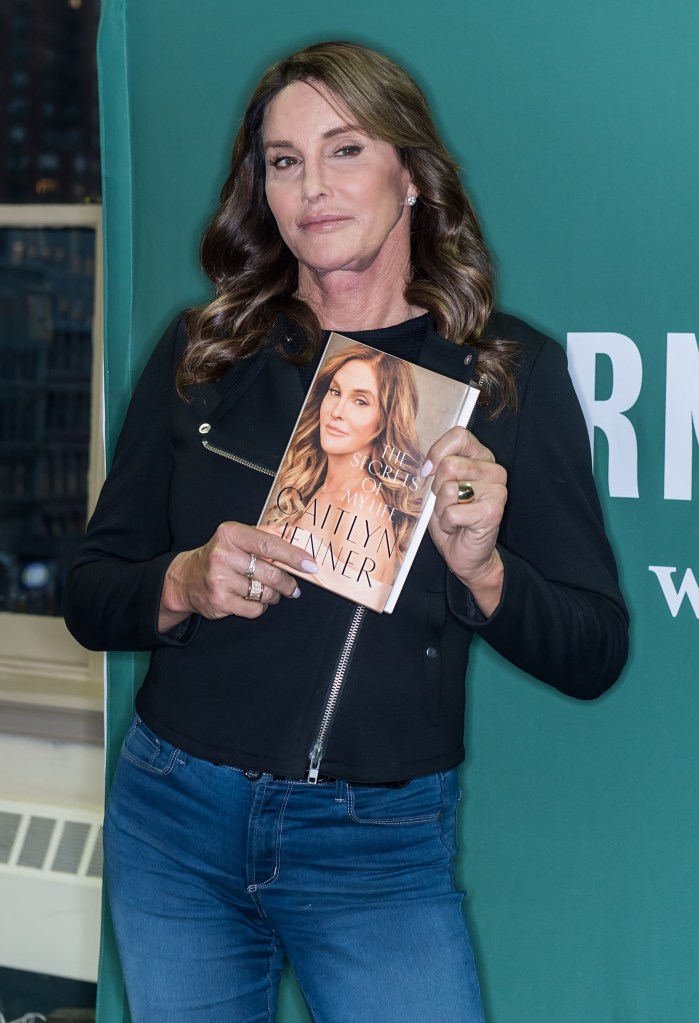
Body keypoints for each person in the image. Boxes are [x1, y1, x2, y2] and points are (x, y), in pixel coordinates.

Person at [63, 40, 629, 1023]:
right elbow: (89, 593)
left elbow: (592, 650)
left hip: (376, 847)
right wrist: (183, 584)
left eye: (345, 150)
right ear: (263, 188)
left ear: (411, 174)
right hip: (174, 820)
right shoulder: (207, 351)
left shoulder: (504, 376)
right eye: (284, 161)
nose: (312, 188)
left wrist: (484, 571)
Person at [260, 341, 424, 603]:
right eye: (335, 392)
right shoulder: (317, 483)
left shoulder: (363, 515)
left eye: (360, 401)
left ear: (384, 421)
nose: (337, 412)